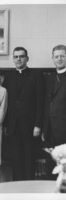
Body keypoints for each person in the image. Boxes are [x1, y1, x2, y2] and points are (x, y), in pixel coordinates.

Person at [3, 47, 44, 181]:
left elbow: (40, 102)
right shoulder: (8, 76)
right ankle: (17, 189)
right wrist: (5, 125)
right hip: (13, 126)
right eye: (16, 57)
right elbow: (5, 103)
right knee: (16, 159)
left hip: (31, 126)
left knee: (29, 158)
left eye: (21, 56)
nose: (18, 59)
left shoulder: (36, 75)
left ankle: (29, 189)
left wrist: (38, 125)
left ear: (27, 58)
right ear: (13, 59)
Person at [42, 45, 66, 179]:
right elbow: (45, 105)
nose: (59, 59)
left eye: (62, 56)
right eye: (56, 56)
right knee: (51, 169)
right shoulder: (49, 78)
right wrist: (44, 129)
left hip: (64, 130)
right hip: (50, 131)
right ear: (52, 59)